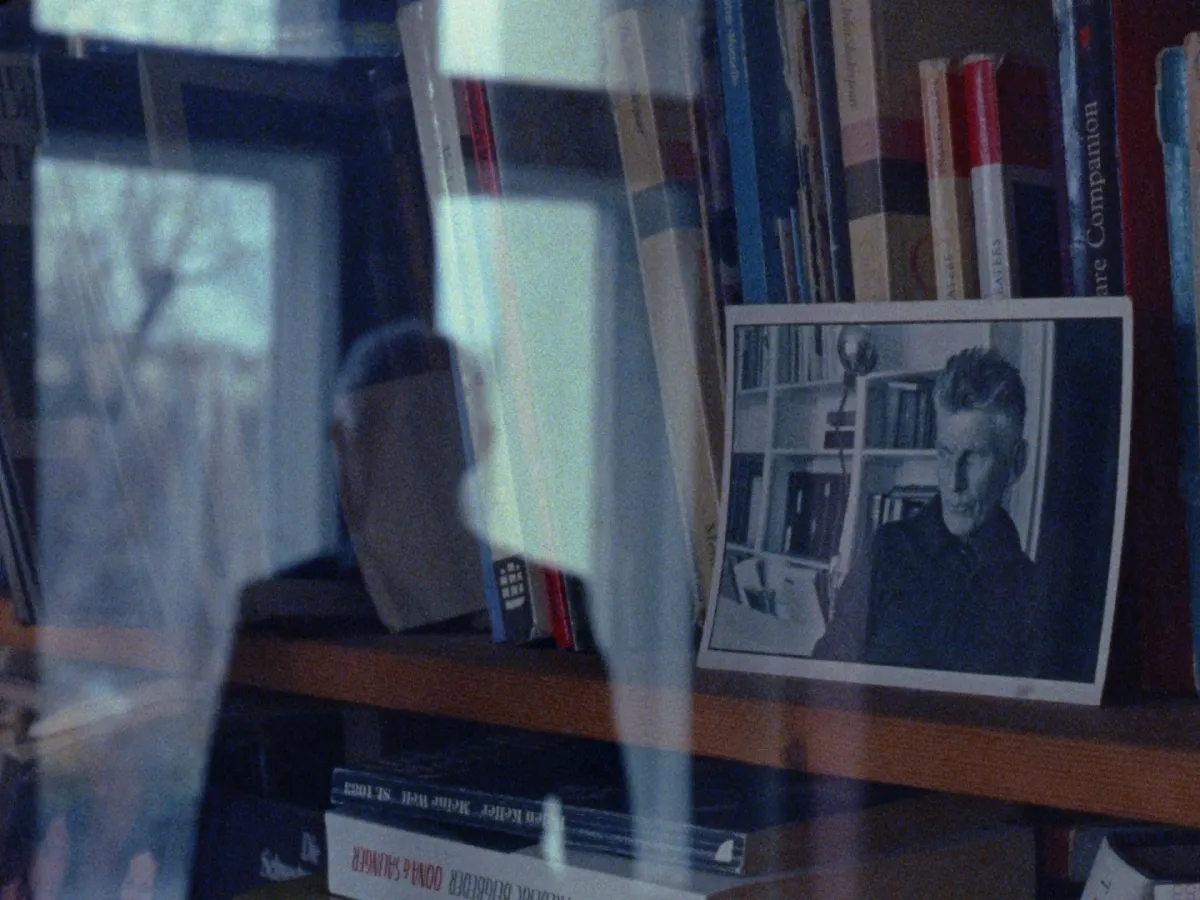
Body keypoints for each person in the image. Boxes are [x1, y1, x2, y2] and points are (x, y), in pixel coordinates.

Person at [238, 320, 489, 635]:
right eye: (364, 428)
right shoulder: (283, 608)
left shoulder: (521, 605)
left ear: (475, 441)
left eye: (427, 426)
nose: (367, 449)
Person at [812, 346, 1045, 677]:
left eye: (974, 457)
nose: (953, 481)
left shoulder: (1032, 592)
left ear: (1015, 465)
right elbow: (826, 670)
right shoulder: (887, 550)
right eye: (945, 453)